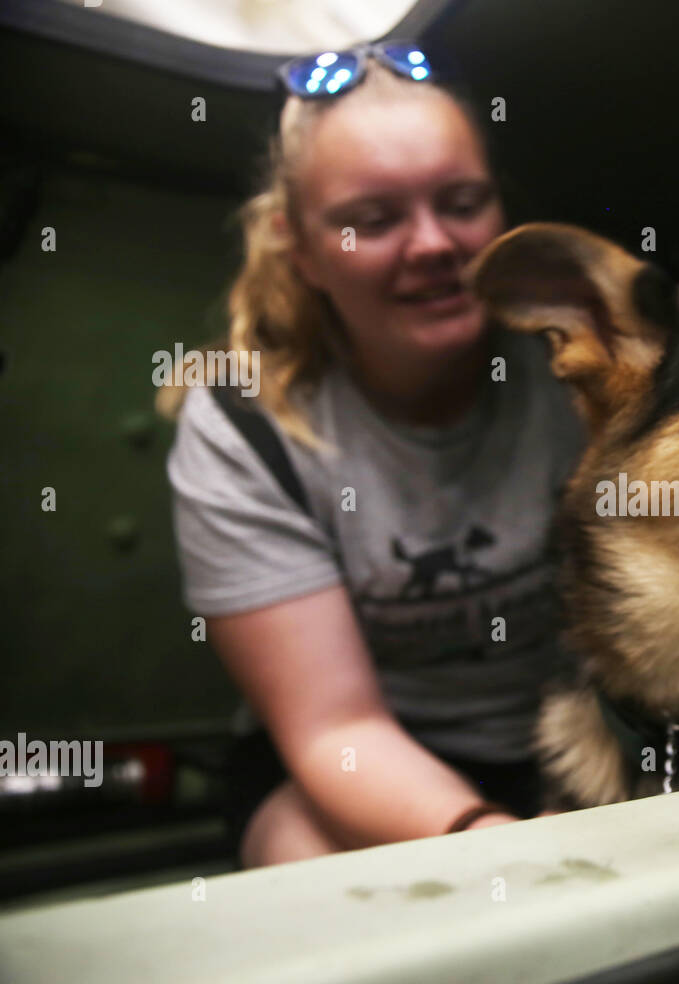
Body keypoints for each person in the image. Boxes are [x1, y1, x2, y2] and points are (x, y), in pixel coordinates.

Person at [158, 44, 584, 867]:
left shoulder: (579, 363)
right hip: (352, 761)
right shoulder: (245, 425)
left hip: (567, 736)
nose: (433, 244)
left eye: (462, 202)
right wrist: (504, 854)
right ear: (302, 248)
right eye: (375, 219)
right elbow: (335, 729)